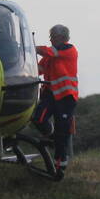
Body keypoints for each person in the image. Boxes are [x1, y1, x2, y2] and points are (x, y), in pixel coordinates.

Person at [35, 24, 78, 172]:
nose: (50, 39)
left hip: (66, 97)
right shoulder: (50, 56)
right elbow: (38, 70)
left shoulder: (68, 49)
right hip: (51, 95)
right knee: (38, 118)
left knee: (62, 132)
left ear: (60, 38)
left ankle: (60, 165)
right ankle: (51, 137)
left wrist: (29, 47)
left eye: (52, 36)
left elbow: (48, 51)